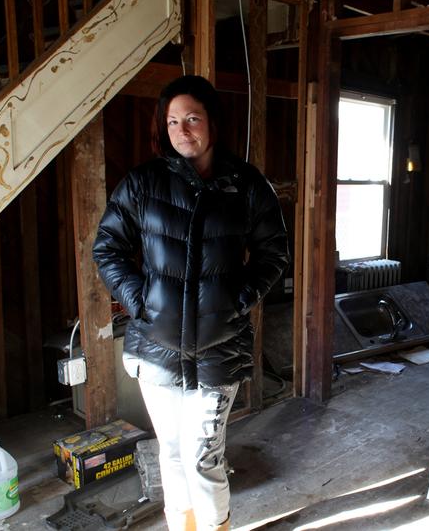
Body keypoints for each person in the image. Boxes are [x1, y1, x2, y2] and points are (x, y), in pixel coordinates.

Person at [93, 75, 289, 531]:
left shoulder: (245, 184)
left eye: (192, 118)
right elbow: (108, 247)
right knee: (172, 451)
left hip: (220, 346)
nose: (183, 130)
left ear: (212, 123)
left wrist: (238, 299)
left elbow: (273, 251)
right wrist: (139, 302)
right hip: (156, 345)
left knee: (204, 455)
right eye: (173, 121)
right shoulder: (143, 183)